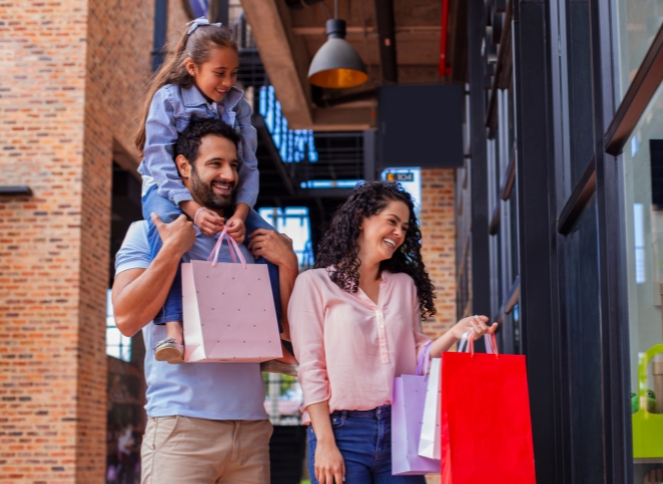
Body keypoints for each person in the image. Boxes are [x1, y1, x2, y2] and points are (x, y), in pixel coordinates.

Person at [112, 119, 299, 483]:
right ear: (184, 167)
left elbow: (290, 335)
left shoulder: (254, 240)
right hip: (181, 430)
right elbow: (126, 319)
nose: (228, 175)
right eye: (215, 164)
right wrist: (171, 251)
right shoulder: (147, 233)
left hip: (251, 431)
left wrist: (288, 265)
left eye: (233, 165)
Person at [289, 181, 498, 484]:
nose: (399, 233)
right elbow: (310, 369)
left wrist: (454, 333)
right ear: (361, 217)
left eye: (404, 227)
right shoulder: (314, 284)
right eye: (392, 221)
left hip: (400, 428)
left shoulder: (404, 286)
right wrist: (325, 442)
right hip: (341, 431)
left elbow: (416, 358)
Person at [133, 16, 280, 364]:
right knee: (167, 233)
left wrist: (241, 213)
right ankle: (173, 329)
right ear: (192, 67)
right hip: (165, 188)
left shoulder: (238, 105)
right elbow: (158, 158)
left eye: (234, 73)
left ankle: (275, 334)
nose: (228, 82)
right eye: (220, 73)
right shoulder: (169, 99)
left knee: (273, 243)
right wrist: (192, 209)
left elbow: (248, 165)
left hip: (222, 196)